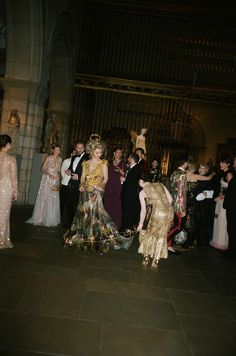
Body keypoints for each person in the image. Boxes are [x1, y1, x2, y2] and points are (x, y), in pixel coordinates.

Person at [63, 137, 121, 254]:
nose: (99, 155)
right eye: (97, 152)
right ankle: (86, 239)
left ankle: (99, 241)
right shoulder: (86, 163)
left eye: (100, 152)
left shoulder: (103, 163)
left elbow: (106, 178)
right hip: (86, 192)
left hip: (96, 192)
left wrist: (101, 187)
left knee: (97, 215)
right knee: (85, 214)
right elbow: (83, 177)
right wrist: (81, 185)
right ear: (91, 151)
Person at [137, 172, 174, 268]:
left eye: (139, 182)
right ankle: (156, 260)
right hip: (169, 212)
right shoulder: (160, 184)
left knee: (149, 234)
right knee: (161, 236)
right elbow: (170, 200)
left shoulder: (142, 192)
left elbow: (143, 211)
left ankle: (146, 258)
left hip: (158, 213)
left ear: (141, 181)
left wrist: (140, 224)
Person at [27, 145, 62, 227]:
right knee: (45, 197)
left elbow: (59, 170)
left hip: (55, 181)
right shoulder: (49, 158)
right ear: (53, 150)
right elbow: (42, 169)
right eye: (56, 149)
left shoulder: (60, 159)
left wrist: (59, 175)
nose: (57, 151)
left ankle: (51, 218)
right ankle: (40, 218)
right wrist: (50, 175)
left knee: (54, 199)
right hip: (47, 180)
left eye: (59, 150)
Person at [0, 134, 18, 249]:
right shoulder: (11, 158)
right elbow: (14, 176)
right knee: (4, 214)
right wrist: (15, 191)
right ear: (7, 145)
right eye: (10, 143)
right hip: (5, 187)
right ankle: (2, 240)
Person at [210, 156, 232, 251]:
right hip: (220, 200)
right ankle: (216, 240)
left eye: (223, 163)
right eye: (220, 162)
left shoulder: (230, 174)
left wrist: (223, 195)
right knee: (217, 219)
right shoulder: (222, 173)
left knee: (223, 221)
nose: (220, 164)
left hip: (225, 201)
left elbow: (231, 189)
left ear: (228, 164)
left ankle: (222, 242)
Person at [64, 142, 88, 226]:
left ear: (84, 148)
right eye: (78, 147)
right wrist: (69, 171)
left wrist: (79, 177)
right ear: (76, 148)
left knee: (79, 205)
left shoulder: (88, 157)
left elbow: (90, 172)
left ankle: (78, 224)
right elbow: (71, 168)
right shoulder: (74, 157)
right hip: (72, 184)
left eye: (81, 147)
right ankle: (70, 222)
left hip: (81, 184)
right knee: (69, 203)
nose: (79, 149)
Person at [104, 147, 127, 229]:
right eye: (117, 152)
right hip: (109, 186)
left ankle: (116, 224)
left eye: (120, 153)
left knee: (117, 204)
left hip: (118, 186)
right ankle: (107, 223)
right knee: (108, 203)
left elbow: (126, 175)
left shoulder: (123, 163)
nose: (119, 154)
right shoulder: (108, 163)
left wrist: (120, 170)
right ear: (114, 153)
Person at [120, 152, 141, 231]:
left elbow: (134, 181)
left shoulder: (137, 168)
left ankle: (128, 228)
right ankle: (124, 227)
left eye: (129, 158)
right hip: (126, 193)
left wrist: (125, 180)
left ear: (132, 159)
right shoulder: (130, 168)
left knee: (129, 211)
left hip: (131, 195)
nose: (127, 159)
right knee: (126, 211)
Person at [223, 169, 236, 257]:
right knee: (231, 229)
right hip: (231, 207)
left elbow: (231, 194)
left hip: (233, 208)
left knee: (232, 229)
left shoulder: (233, 181)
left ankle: (232, 251)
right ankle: (231, 249)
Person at [60, 149, 76, 217]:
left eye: (76, 154)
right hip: (65, 183)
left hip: (73, 184)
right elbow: (62, 171)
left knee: (71, 202)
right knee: (63, 200)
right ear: (71, 154)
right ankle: (60, 214)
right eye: (73, 153)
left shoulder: (77, 162)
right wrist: (66, 178)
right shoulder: (66, 161)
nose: (74, 155)